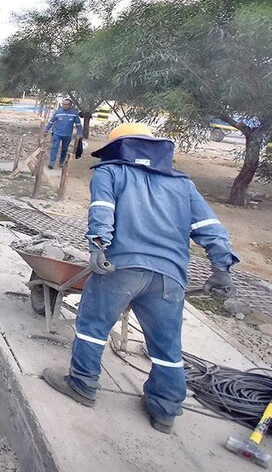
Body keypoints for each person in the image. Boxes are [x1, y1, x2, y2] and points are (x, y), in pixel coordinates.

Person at [42, 123, 239, 434]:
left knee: (93, 326)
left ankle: (82, 383)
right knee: (167, 346)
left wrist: (97, 246)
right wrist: (221, 268)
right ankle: (165, 410)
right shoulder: (182, 184)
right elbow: (209, 226)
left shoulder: (110, 173)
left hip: (120, 268)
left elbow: (102, 210)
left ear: (118, 148)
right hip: (169, 277)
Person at [43, 98, 83, 169]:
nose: (65, 106)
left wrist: (80, 133)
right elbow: (51, 122)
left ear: (70, 105)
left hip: (67, 135)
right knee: (55, 147)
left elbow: (78, 124)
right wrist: (46, 130)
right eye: (63, 104)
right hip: (57, 133)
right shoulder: (58, 112)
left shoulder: (74, 113)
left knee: (64, 148)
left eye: (67, 104)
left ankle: (61, 161)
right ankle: (52, 162)